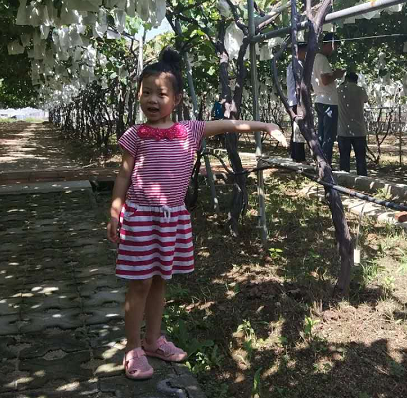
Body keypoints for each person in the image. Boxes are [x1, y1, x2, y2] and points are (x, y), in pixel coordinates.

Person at [106, 48, 287, 381]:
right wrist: (115, 211)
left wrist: (265, 125)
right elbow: (123, 176)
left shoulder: (190, 130)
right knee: (139, 284)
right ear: (138, 95)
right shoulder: (136, 135)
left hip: (171, 218)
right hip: (140, 218)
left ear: (175, 99)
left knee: (160, 280)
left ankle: (153, 339)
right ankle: (132, 347)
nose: (152, 99)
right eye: (146, 92)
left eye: (161, 93)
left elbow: (231, 124)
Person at [312, 33, 344, 166]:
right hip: (328, 102)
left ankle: (319, 160)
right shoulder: (322, 59)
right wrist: (336, 74)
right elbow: (325, 80)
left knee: (321, 134)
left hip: (320, 99)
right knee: (328, 136)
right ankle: (325, 163)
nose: (334, 50)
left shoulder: (314, 58)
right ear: (329, 44)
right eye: (334, 46)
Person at [337, 72, 369, 176]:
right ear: (356, 80)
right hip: (359, 130)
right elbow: (365, 100)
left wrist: (342, 84)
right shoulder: (361, 90)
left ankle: (344, 180)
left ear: (346, 80)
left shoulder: (339, 90)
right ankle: (363, 179)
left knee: (344, 158)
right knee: (361, 158)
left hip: (343, 130)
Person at [286, 41, 308, 162]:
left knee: (296, 128)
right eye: (305, 51)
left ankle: (295, 154)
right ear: (299, 52)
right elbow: (300, 84)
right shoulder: (297, 64)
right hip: (296, 101)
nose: (306, 54)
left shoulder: (293, 64)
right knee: (299, 129)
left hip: (292, 100)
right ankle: (299, 156)